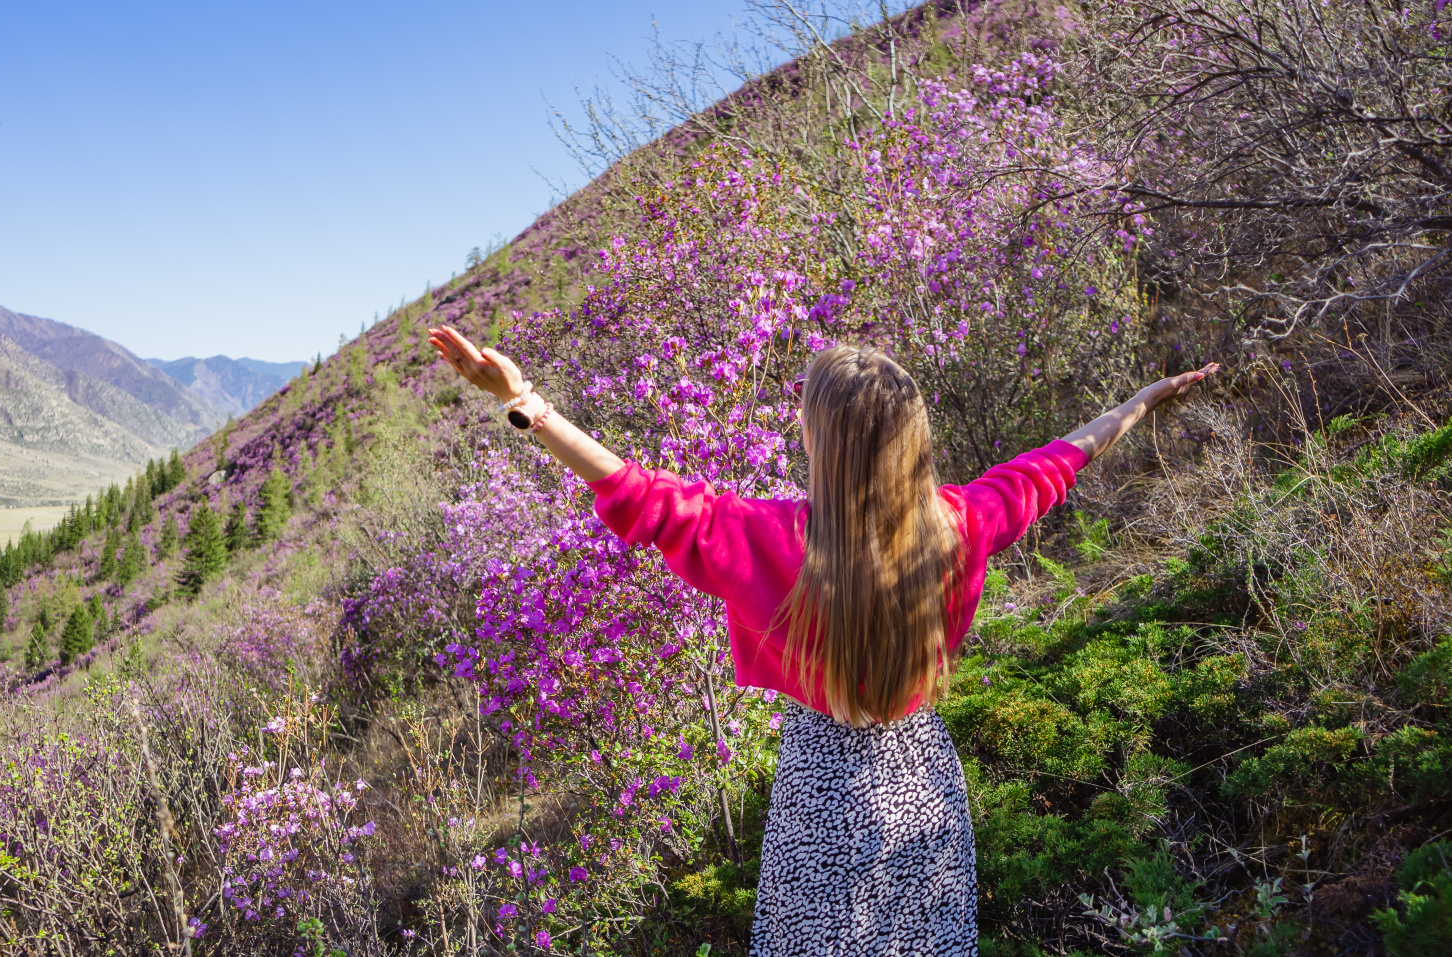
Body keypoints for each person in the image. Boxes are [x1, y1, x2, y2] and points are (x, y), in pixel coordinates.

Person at [429, 324, 1217, 956]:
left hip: (821, 786)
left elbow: (638, 495)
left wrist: (528, 401)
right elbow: (1052, 465)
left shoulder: (775, 541)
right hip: (922, 780)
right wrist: (1140, 402)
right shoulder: (958, 525)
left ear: (820, 437)